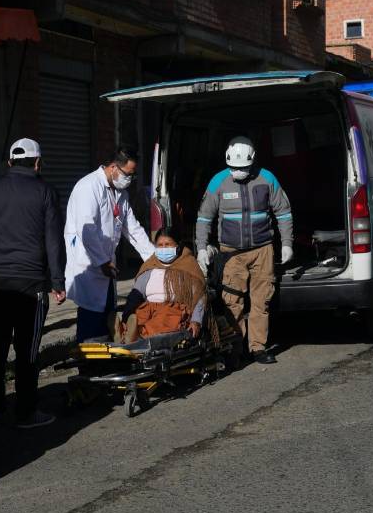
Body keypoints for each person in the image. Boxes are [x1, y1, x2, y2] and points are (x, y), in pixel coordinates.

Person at [0, 138, 66, 429]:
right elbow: (53, 240)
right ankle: (26, 412)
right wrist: (57, 280)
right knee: (27, 352)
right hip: (30, 284)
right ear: (37, 163)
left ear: (10, 163)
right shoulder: (45, 192)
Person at [196, 136, 292, 364]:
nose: (238, 172)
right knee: (232, 301)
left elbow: (283, 212)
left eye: (243, 168)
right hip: (231, 253)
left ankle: (258, 347)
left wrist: (287, 243)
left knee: (262, 300)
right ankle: (234, 349)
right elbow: (204, 217)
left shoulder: (267, 178)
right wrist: (202, 247)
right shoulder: (217, 182)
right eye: (234, 168)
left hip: (263, 250)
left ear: (253, 161)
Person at [65, 146, 155, 342]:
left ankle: (106, 366)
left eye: (133, 175)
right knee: (91, 320)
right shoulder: (88, 187)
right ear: (113, 167)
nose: (129, 179)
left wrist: (153, 258)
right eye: (128, 174)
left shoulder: (120, 193)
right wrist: (102, 261)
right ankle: (89, 368)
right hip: (89, 265)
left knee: (109, 320)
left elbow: (132, 229)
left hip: (107, 266)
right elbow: (86, 230)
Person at [118, 229, 207, 342]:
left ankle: (134, 336)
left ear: (178, 246)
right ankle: (123, 332)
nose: (163, 248)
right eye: (160, 245)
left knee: (159, 323)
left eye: (168, 244)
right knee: (139, 317)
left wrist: (196, 321)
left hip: (172, 309)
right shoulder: (150, 266)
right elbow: (135, 295)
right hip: (148, 307)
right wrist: (127, 315)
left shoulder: (188, 267)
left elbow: (200, 296)